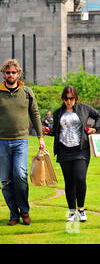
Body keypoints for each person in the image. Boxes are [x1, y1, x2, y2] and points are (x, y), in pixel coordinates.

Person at [0, 59, 45, 226]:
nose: (10, 75)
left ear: (18, 74)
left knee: (20, 175)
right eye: (7, 72)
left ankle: (24, 211)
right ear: (3, 74)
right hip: (1, 142)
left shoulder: (26, 91)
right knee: (5, 181)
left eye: (13, 72)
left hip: (21, 141)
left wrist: (40, 137)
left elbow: (35, 115)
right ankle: (13, 214)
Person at [50, 86, 100, 222]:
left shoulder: (84, 109)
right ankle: (72, 212)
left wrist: (94, 128)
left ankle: (81, 209)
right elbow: (55, 130)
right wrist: (47, 131)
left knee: (80, 178)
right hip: (64, 150)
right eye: (66, 98)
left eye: (71, 98)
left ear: (75, 98)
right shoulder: (58, 113)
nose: (69, 101)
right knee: (69, 182)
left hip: (81, 150)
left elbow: (99, 115)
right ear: (63, 99)